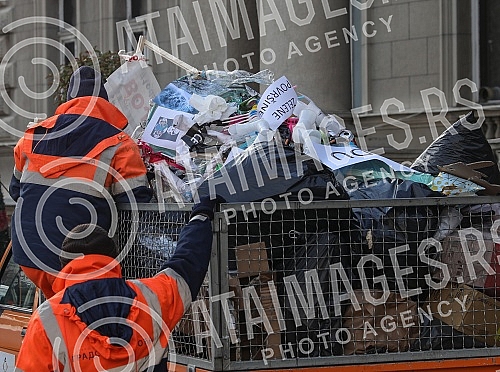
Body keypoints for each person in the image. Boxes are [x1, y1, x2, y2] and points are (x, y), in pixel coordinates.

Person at [15, 196, 220, 372]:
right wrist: (200, 216)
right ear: (113, 260)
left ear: (65, 266)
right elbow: (188, 262)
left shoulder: (46, 321)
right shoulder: (151, 298)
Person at [9, 66, 152, 298]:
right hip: (79, 260)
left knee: (61, 312)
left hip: (27, 253)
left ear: (68, 100)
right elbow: (138, 208)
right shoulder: (120, 143)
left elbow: (16, 191)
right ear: (105, 101)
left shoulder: (31, 137)